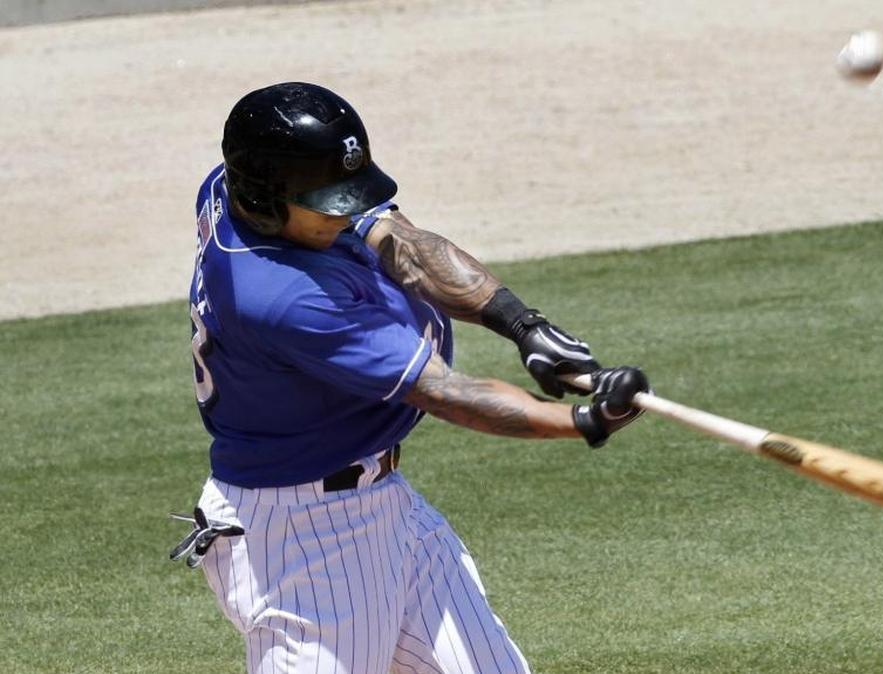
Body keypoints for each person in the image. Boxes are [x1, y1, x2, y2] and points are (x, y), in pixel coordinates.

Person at [172, 82, 650, 674]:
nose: (345, 213)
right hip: (301, 547)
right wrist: (584, 420)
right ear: (265, 199)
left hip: (385, 506)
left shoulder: (240, 188)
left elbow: (403, 242)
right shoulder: (281, 297)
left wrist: (523, 325)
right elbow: (447, 393)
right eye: (328, 203)